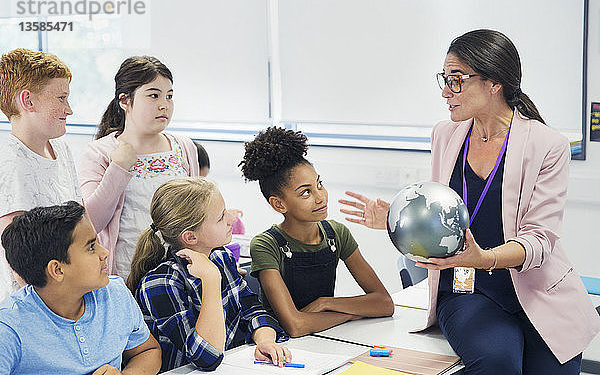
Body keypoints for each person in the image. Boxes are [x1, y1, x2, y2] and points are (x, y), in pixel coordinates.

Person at [339, 29, 600, 374]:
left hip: (538, 290)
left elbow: (540, 240)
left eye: (457, 80)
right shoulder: (445, 134)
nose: (446, 92)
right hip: (467, 287)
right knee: (497, 362)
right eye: (444, 80)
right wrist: (397, 217)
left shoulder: (547, 145)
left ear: (494, 83)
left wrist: (486, 257)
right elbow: (439, 209)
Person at [240, 127, 394, 338]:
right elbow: (295, 325)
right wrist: (347, 314)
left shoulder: (336, 233)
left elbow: (384, 304)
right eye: (305, 192)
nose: (320, 197)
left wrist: (327, 303)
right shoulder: (266, 245)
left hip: (325, 337)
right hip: (280, 347)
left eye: (319, 184)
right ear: (279, 204)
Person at [127, 177, 290, 372]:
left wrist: (264, 340)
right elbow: (207, 358)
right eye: (221, 216)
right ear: (190, 237)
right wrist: (211, 279)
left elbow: (252, 310)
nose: (231, 219)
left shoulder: (222, 257)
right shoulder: (161, 283)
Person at [0, 201, 161, 374]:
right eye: (91, 247)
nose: (105, 253)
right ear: (58, 269)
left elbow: (148, 351)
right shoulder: (9, 328)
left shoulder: (116, 293)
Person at [78, 56, 200, 279]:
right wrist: (119, 167)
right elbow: (91, 223)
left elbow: (199, 214)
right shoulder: (100, 152)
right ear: (125, 100)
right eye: (153, 95)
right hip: (125, 276)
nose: (164, 105)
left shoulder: (184, 147)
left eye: (169, 96)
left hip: (182, 276)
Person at [0, 48, 82, 302]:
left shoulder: (61, 149)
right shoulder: (10, 160)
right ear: (28, 101)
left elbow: (81, 216)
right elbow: (18, 257)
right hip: (37, 300)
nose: (69, 110)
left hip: (69, 284)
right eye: (61, 98)